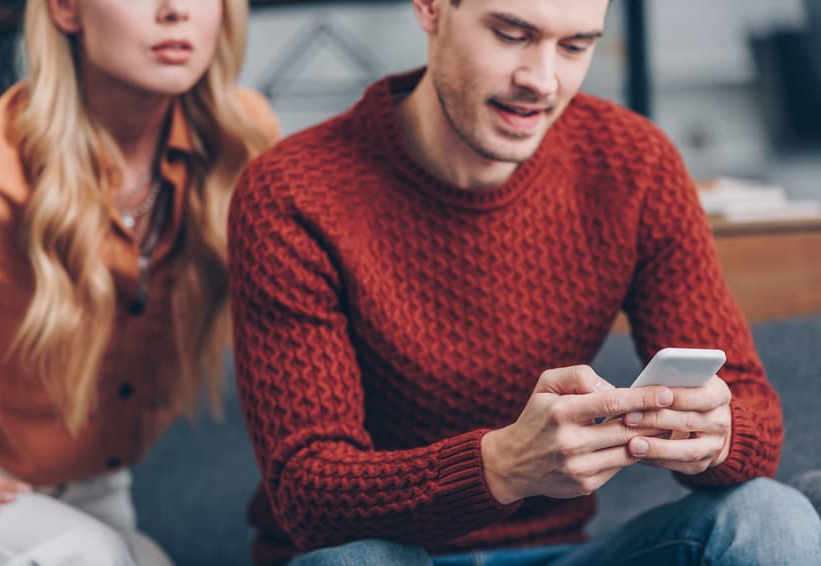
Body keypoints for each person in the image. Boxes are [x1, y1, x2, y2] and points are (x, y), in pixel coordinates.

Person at [227, 0, 821, 564]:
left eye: (575, 45)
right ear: (432, 8)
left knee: (770, 518)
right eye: (512, 34)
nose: (542, 79)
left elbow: (756, 421)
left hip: (564, 552)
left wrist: (718, 436)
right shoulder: (291, 194)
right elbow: (308, 492)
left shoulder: (634, 166)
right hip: (385, 553)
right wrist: (498, 468)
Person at [0, 0, 279, 563]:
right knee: (97, 556)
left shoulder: (241, 137)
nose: (176, 10)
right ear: (66, 9)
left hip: (100, 490)